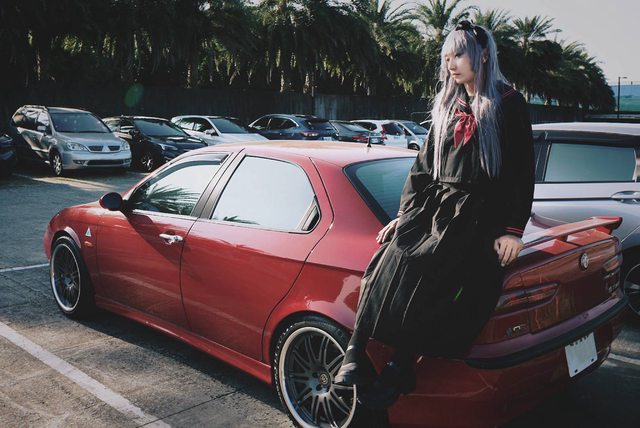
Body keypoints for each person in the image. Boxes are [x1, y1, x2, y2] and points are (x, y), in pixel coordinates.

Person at [333, 20, 535, 409]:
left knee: (436, 275)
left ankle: (401, 364)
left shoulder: (509, 102)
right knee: (386, 258)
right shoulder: (446, 104)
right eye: (446, 58)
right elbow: (422, 169)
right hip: (434, 207)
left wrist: (513, 230)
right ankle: (355, 352)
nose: (451, 64)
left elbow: (521, 173)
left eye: (458, 55)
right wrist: (405, 215)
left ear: (483, 56)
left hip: (479, 212)